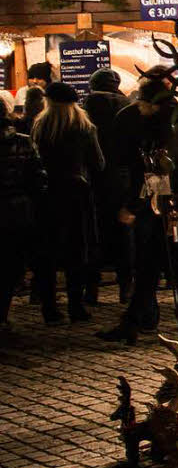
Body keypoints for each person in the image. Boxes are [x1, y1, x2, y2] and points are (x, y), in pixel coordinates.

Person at [97, 78, 178, 344]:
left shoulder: (167, 127)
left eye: (141, 102)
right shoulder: (170, 121)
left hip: (171, 203)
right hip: (170, 202)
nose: (138, 107)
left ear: (151, 102)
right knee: (157, 265)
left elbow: (154, 172)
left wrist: (132, 205)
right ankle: (136, 321)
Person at [32, 82, 105, 324]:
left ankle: (49, 307)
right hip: (77, 192)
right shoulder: (84, 127)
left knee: (47, 251)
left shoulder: (41, 127)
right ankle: (76, 305)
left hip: (47, 192)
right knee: (78, 249)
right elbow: (99, 163)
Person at [84, 68, 133, 304]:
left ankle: (91, 290)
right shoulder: (127, 104)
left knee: (95, 232)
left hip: (98, 176)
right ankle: (126, 286)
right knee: (124, 232)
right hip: (124, 176)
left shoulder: (91, 104)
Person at [0, 97, 47, 331]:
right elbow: (38, 177)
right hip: (18, 209)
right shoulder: (24, 142)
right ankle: (3, 311)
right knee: (12, 262)